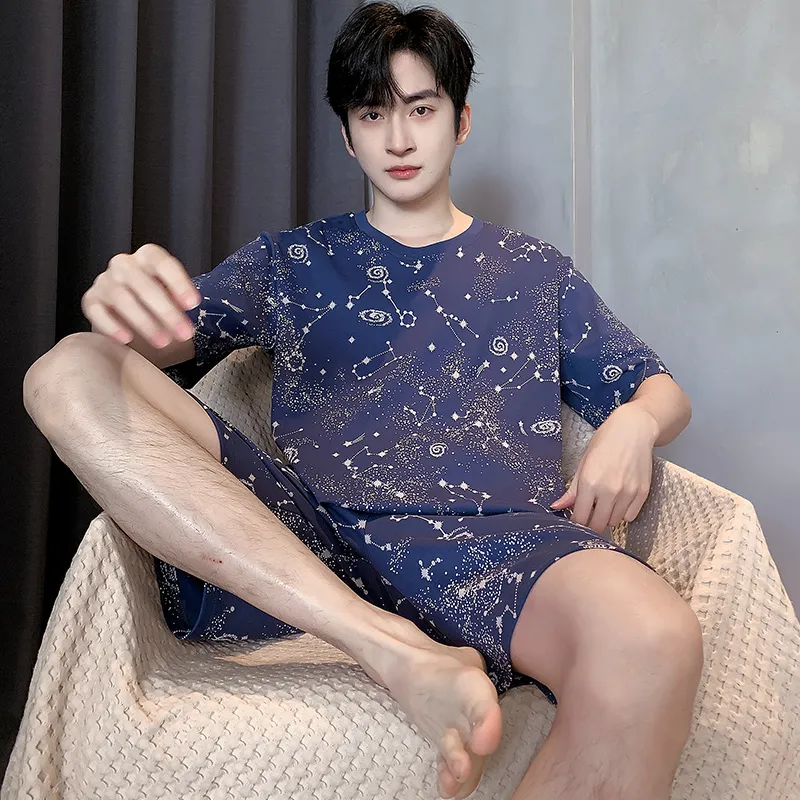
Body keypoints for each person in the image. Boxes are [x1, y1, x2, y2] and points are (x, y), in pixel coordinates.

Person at [23, 2, 704, 799]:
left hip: (501, 552)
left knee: (656, 637)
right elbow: (149, 346)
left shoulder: (533, 270)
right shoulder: (289, 263)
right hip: (313, 545)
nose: (400, 139)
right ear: (348, 135)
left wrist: (636, 420)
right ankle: (391, 649)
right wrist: (124, 303)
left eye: (422, 109)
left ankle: (412, 649)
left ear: (461, 121)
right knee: (69, 368)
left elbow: (660, 389)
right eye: (374, 114)